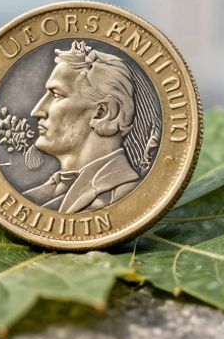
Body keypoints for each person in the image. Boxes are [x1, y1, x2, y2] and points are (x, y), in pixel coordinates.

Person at [21, 41, 142, 213]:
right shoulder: (41, 192)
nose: (37, 111)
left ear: (103, 113)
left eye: (57, 95)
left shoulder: (124, 194)